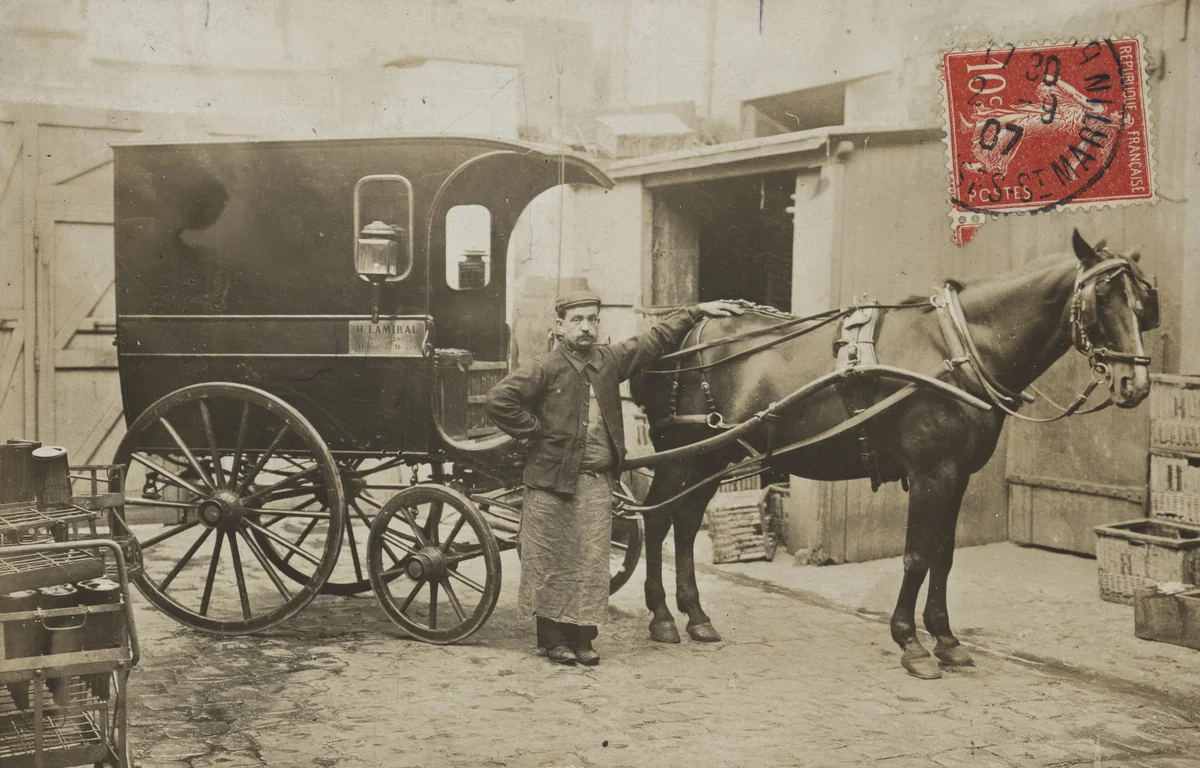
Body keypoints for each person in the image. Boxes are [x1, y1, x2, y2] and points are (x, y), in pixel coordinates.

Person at [485, 289, 743, 666]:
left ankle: (583, 637)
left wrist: (696, 310)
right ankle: (553, 639)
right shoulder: (545, 367)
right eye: (577, 320)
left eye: (592, 319)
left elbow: (653, 340)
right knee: (551, 560)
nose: (586, 327)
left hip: (594, 480)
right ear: (560, 326)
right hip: (550, 482)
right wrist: (535, 430)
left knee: (590, 561)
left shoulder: (609, 361)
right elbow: (499, 400)